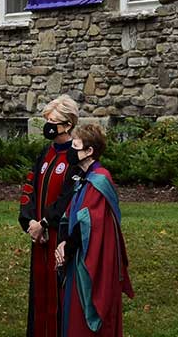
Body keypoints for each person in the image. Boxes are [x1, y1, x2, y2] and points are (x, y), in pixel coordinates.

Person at [56, 124, 132, 337]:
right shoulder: (84, 179)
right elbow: (69, 215)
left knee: (84, 318)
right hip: (78, 256)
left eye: (75, 146)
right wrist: (62, 243)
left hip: (92, 261)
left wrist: (67, 248)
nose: (71, 150)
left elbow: (88, 223)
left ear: (89, 151)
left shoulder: (99, 180)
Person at [21, 95, 79, 337]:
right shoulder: (45, 153)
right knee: (40, 293)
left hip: (59, 236)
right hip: (39, 237)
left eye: (53, 122)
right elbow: (30, 189)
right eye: (47, 120)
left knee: (58, 292)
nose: (48, 126)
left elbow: (69, 197)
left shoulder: (75, 157)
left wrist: (45, 223)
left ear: (68, 124)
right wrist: (31, 222)